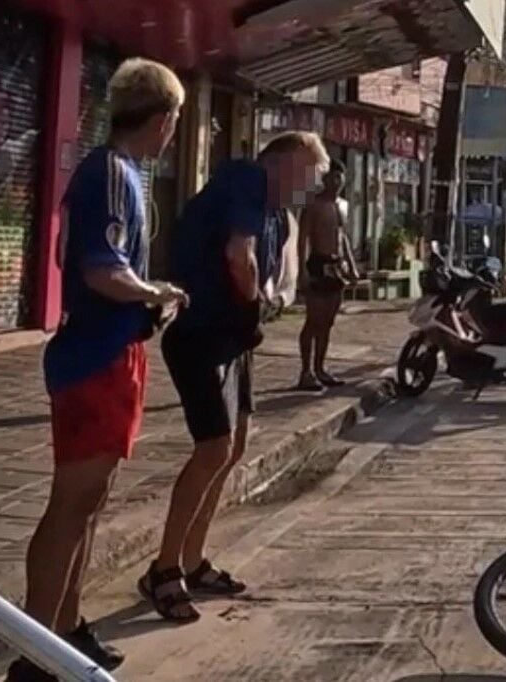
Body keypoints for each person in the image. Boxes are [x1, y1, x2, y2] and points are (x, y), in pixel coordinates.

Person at [11, 58, 186, 682]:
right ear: (164, 119)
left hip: (114, 352)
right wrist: (153, 292)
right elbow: (100, 269)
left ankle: (64, 627)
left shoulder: (123, 174)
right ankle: (35, 649)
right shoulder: (111, 172)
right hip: (95, 358)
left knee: (91, 500)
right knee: (71, 502)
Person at [141, 131, 331, 622]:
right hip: (200, 333)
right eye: (307, 176)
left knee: (237, 444)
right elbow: (237, 256)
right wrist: (252, 305)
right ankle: (163, 569)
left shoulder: (275, 215)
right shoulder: (245, 181)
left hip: (233, 338)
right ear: (283, 163)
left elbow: (264, 271)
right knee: (214, 448)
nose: (309, 189)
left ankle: (193, 558)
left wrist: (265, 302)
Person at [296, 159, 360, 392]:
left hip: (337, 266)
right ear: (324, 179)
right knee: (314, 321)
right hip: (318, 263)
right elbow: (302, 239)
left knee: (328, 323)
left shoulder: (342, 205)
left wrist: (351, 266)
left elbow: (343, 237)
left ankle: (320, 368)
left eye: (340, 178)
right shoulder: (313, 205)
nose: (336, 182)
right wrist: (301, 270)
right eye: (332, 177)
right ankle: (306, 372)